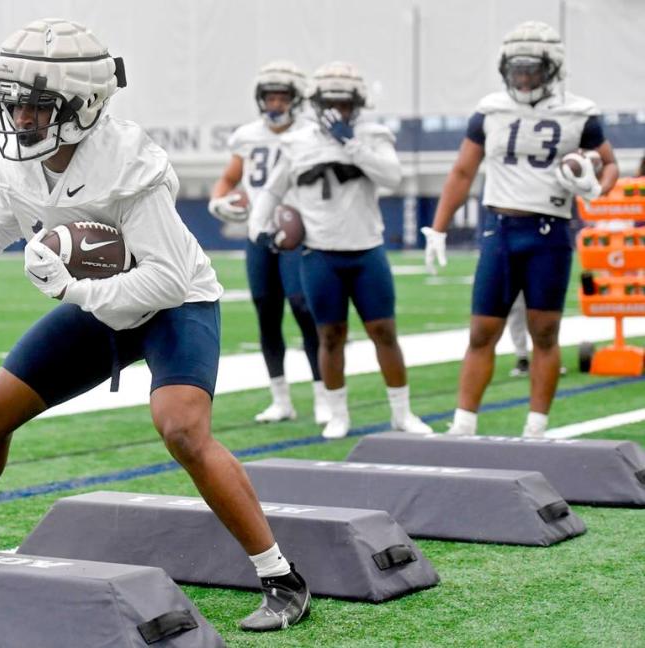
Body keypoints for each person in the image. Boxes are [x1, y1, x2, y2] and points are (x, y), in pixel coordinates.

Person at [0, 19, 310, 632]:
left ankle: (282, 576)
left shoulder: (127, 160)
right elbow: (9, 208)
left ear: (84, 104)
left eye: (37, 104)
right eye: (13, 101)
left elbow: (168, 280)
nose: (19, 117)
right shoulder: (22, 153)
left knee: (181, 430)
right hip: (102, 302)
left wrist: (74, 289)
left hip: (175, 305)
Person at [422, 21, 618, 438]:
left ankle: (536, 427)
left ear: (553, 69)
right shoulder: (490, 109)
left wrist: (595, 185)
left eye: (532, 70)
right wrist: (437, 228)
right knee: (482, 331)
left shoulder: (579, 112)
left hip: (550, 231)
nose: (523, 77)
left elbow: (610, 162)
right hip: (500, 228)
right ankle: (463, 424)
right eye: (517, 69)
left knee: (544, 333)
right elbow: (462, 170)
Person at [252, 62, 433, 439]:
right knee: (329, 335)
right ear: (317, 102)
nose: (339, 110)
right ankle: (337, 413)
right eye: (332, 103)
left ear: (358, 103)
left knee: (384, 331)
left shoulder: (374, 136)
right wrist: (258, 227)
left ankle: (402, 412)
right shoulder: (298, 140)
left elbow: (392, 176)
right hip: (320, 253)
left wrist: (351, 143)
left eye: (346, 103)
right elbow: (272, 189)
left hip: (366, 251)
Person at [209, 61, 329, 425]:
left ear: (296, 100)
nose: (275, 104)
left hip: (298, 231)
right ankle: (281, 399)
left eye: (282, 97)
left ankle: (325, 394)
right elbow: (229, 178)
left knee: (303, 308)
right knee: (267, 312)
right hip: (258, 233)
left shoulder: (312, 132)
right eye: (270, 97)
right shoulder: (247, 135)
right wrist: (218, 200)